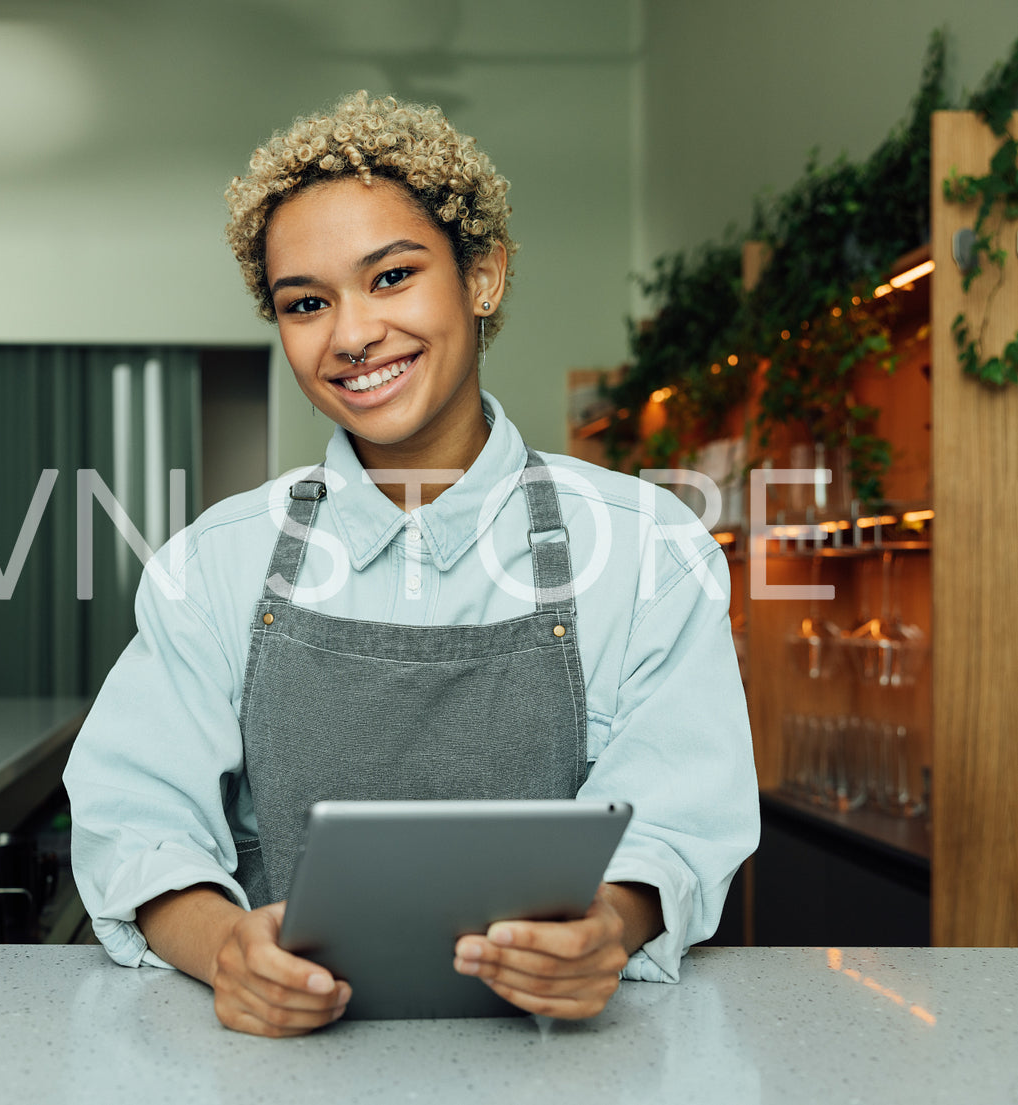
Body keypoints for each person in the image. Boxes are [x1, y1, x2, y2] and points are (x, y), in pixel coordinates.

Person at [63, 92, 757, 1036]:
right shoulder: (214, 565)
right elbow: (133, 820)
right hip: (280, 1066)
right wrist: (230, 950)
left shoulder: (648, 549)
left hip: (569, 1064)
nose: (349, 335)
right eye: (305, 303)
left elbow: (684, 814)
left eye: (390, 277)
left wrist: (609, 923)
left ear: (482, 277)